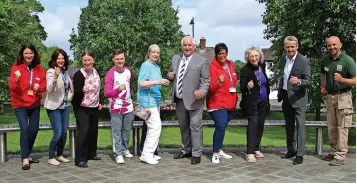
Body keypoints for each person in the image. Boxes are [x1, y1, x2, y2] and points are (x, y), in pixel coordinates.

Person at [168, 36, 210, 165]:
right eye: (185, 45)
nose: (187, 47)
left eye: (189, 45)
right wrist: (169, 76)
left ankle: (196, 154)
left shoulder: (202, 61)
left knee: (195, 127)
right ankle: (186, 150)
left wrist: (201, 92)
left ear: (194, 46)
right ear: (181, 46)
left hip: (195, 101)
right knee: (183, 126)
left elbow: (205, 81)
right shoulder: (175, 58)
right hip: (179, 100)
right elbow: (171, 75)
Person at [9, 44, 46, 170]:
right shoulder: (16, 67)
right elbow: (12, 88)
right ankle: (25, 159)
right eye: (26, 53)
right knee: (25, 129)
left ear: (34, 54)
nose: (29, 55)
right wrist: (16, 79)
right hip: (20, 105)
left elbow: (43, 85)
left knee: (34, 130)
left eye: (31, 53)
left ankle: (27, 153)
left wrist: (39, 88)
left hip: (34, 104)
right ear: (22, 54)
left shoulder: (39, 68)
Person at [320, 36, 356, 166]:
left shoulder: (348, 60)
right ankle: (334, 151)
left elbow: (355, 80)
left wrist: (343, 80)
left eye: (334, 45)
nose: (332, 47)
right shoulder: (325, 59)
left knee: (343, 127)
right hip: (330, 97)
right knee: (332, 127)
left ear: (340, 45)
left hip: (344, 97)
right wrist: (322, 86)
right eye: (329, 45)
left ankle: (340, 155)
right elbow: (323, 74)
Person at [277, 36, 311, 165]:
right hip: (286, 96)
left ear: (297, 46)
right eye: (287, 46)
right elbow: (282, 76)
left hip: (299, 97)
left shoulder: (303, 60)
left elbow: (308, 81)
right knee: (289, 126)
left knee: (300, 126)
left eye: (292, 46)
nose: (290, 49)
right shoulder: (283, 59)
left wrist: (299, 81)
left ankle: (300, 154)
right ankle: (290, 150)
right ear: (285, 47)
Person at [138, 44, 170, 165]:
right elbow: (141, 83)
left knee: (154, 128)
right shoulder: (146, 65)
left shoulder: (156, 67)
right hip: (147, 101)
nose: (156, 54)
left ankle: (148, 153)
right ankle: (147, 154)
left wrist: (164, 81)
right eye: (153, 52)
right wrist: (159, 81)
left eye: (157, 52)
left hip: (155, 101)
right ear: (149, 53)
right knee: (155, 127)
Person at [206, 43, 238, 164]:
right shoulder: (212, 67)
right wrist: (218, 82)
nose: (221, 55)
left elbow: (233, 82)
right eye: (219, 53)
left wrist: (235, 97)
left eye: (223, 53)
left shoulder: (230, 64)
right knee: (220, 125)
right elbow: (210, 88)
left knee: (223, 127)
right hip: (216, 103)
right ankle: (215, 153)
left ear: (227, 53)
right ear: (216, 54)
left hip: (230, 102)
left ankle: (219, 150)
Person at [72, 50, 102, 168]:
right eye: (85, 60)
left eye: (89, 60)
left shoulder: (96, 72)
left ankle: (91, 154)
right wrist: (82, 89)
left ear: (93, 60)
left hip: (94, 106)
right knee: (83, 131)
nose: (87, 62)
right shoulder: (78, 75)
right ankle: (80, 159)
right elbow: (77, 93)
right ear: (82, 61)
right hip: (81, 107)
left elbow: (99, 89)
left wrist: (100, 102)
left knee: (93, 131)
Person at [240, 47, 270, 163]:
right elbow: (241, 87)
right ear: (247, 58)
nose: (254, 58)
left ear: (259, 56)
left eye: (256, 56)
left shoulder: (262, 67)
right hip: (251, 102)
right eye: (251, 56)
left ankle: (257, 148)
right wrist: (247, 86)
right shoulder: (245, 70)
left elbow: (265, 83)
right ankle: (250, 152)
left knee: (260, 124)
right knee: (253, 124)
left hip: (263, 102)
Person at [104, 49, 134, 164]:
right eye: (117, 59)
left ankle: (125, 149)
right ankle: (118, 153)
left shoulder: (128, 71)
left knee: (126, 130)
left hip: (128, 107)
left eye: (121, 58)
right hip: (116, 107)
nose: (120, 61)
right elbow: (106, 93)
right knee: (116, 131)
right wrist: (117, 90)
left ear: (124, 59)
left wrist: (130, 96)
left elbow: (130, 86)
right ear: (113, 60)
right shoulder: (110, 74)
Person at [44, 49, 73, 166]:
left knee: (64, 133)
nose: (61, 60)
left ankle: (59, 155)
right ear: (54, 60)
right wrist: (55, 77)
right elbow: (49, 89)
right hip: (54, 106)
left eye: (63, 58)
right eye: (58, 58)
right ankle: (51, 156)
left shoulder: (65, 73)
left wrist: (69, 98)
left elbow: (70, 88)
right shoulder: (51, 72)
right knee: (58, 133)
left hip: (65, 106)